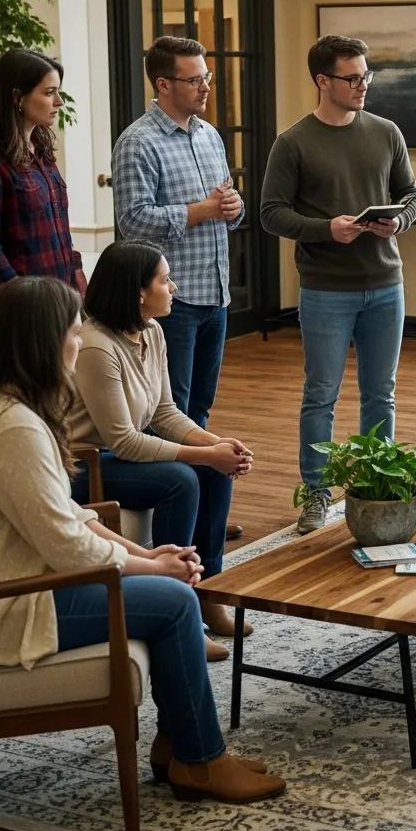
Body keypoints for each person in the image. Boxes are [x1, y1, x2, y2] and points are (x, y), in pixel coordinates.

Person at [0, 275, 284, 803]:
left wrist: (146, 553)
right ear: (42, 342)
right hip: (10, 605)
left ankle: (180, 749)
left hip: (38, 583)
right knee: (170, 601)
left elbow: (70, 515)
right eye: (72, 333)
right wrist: (156, 570)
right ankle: (200, 761)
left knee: (170, 591)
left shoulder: (17, 414)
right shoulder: (11, 427)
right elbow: (69, 547)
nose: (78, 342)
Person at [260, 35, 416, 534]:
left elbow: (410, 194)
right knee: (321, 394)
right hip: (325, 288)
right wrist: (325, 229)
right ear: (322, 81)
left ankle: (377, 484)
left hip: (384, 284)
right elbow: (271, 214)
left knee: (382, 394)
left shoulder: (386, 132)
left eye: (366, 75)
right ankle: (315, 493)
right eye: (352, 78)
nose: (362, 85)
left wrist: (398, 223)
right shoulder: (293, 143)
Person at [68, 241, 254, 661]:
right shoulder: (96, 346)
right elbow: (123, 440)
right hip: (84, 464)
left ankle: (209, 593)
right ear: (138, 291)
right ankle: (180, 606)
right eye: (165, 279)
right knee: (182, 479)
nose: (173, 286)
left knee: (213, 470)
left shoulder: (151, 331)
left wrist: (218, 446)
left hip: (118, 456)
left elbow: (166, 413)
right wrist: (206, 456)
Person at [112, 36, 245, 539]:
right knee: (171, 414)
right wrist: (201, 210)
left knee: (200, 412)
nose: (206, 86)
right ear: (163, 84)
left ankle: (199, 507)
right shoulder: (138, 142)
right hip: (174, 302)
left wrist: (232, 209)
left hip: (215, 294)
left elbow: (227, 211)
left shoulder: (210, 135)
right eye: (196, 79)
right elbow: (132, 222)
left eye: (207, 76)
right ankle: (171, 525)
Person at [0, 49, 85, 316]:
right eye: (49, 93)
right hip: (17, 309)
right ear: (17, 98)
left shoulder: (41, 151)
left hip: (58, 301)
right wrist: (21, 302)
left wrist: (77, 287)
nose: (59, 101)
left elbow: (58, 232)